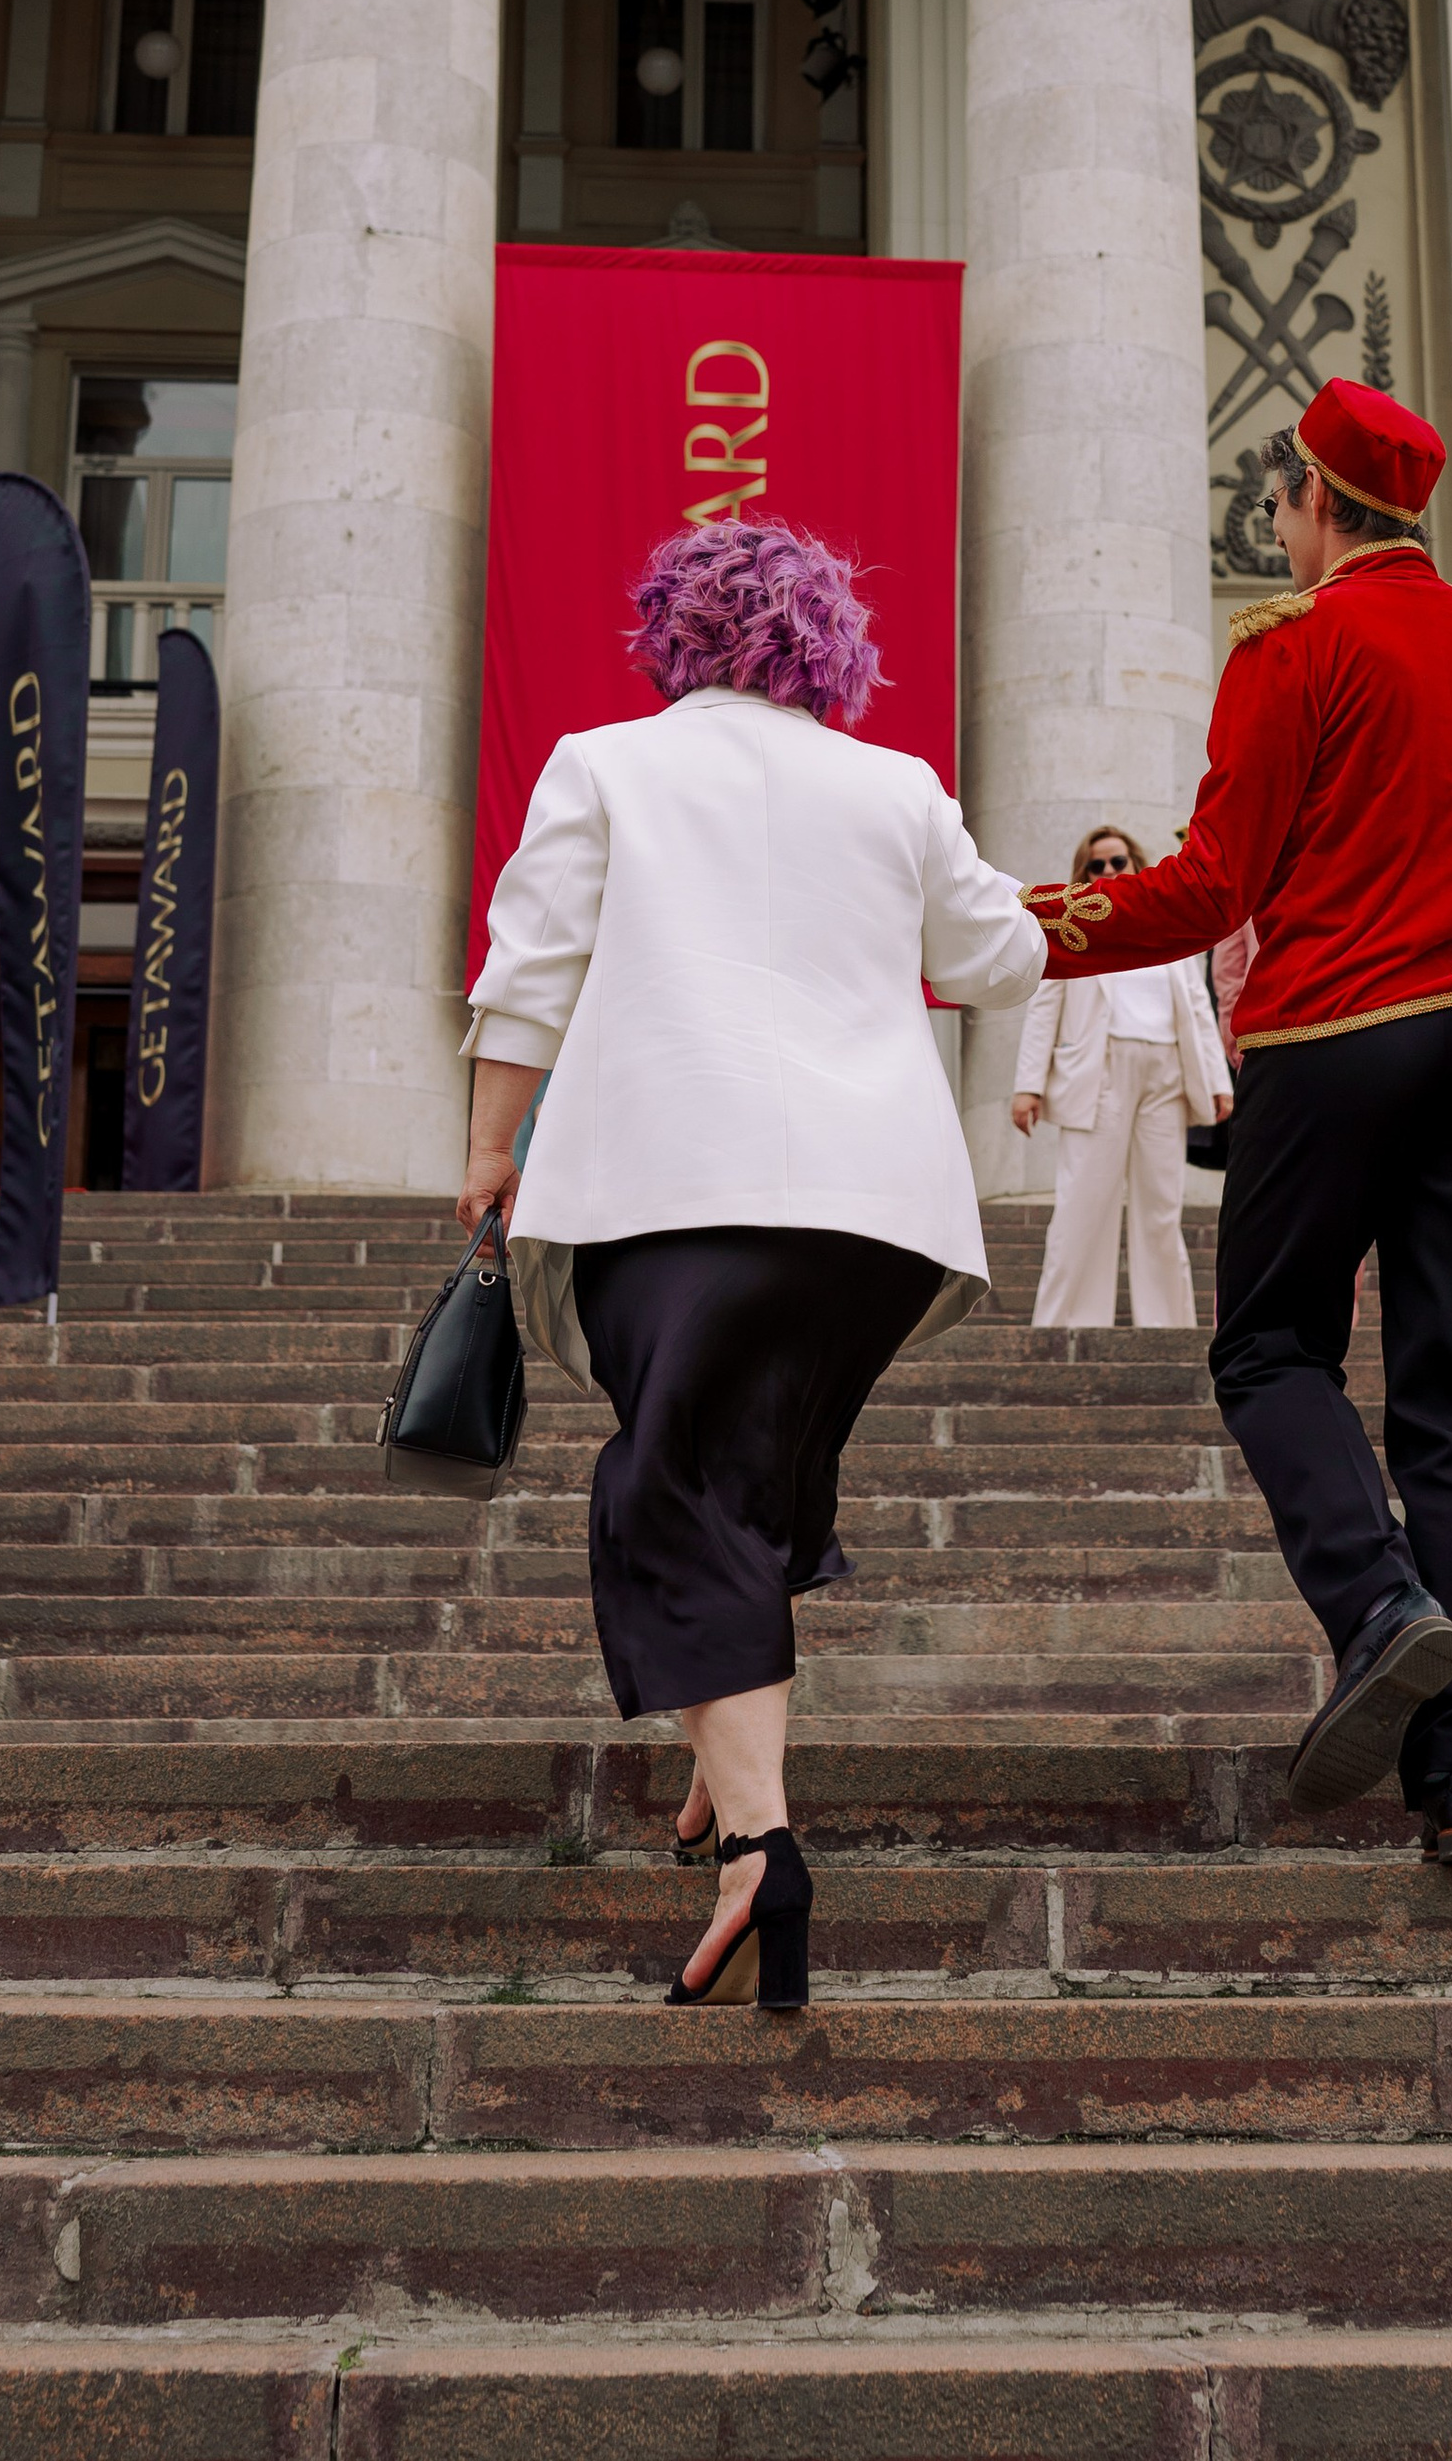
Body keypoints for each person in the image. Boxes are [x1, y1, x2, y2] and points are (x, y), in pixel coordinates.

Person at [1019, 379, 1452, 1871]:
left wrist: (1011, 930)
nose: (1276, 524)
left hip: (1327, 1044)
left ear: (1314, 502)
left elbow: (1210, 887)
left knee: (1272, 1344)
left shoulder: (1294, 649)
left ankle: (1373, 1600)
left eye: (1281, 501)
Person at [459, 519, 1045, 2012]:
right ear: (829, 647)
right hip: (872, 1213)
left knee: (671, 1494)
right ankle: (732, 1770)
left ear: (674, 633)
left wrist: (487, 1148)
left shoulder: (604, 762)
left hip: (675, 1184)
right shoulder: (897, 785)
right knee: (740, 1483)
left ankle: (764, 1847)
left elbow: (530, 969)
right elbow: (994, 961)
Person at [1009, 824, 1230, 1328]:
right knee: (1085, 1201)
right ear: (1082, 874)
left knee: (1161, 1206)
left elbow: (1197, 1005)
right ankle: (1067, 1323)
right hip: (1099, 1070)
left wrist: (1217, 1081)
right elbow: (1044, 1009)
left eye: (1119, 862)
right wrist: (1028, 1087)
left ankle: (1168, 1326)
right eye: (1097, 865)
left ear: (1135, 863)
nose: (1110, 871)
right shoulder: (1071, 924)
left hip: (1166, 1074)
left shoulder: (1163, 921)